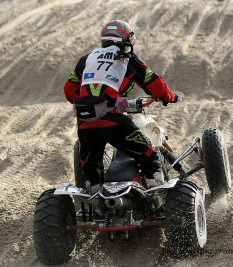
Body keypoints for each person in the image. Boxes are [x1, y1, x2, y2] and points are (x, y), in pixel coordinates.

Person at [64, 19, 179, 190]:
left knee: (91, 167)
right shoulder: (127, 59)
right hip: (113, 122)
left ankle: (97, 202)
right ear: (126, 40)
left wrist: (92, 99)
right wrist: (171, 97)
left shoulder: (86, 59)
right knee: (149, 155)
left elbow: (69, 89)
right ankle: (156, 204)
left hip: (85, 122)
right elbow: (153, 82)